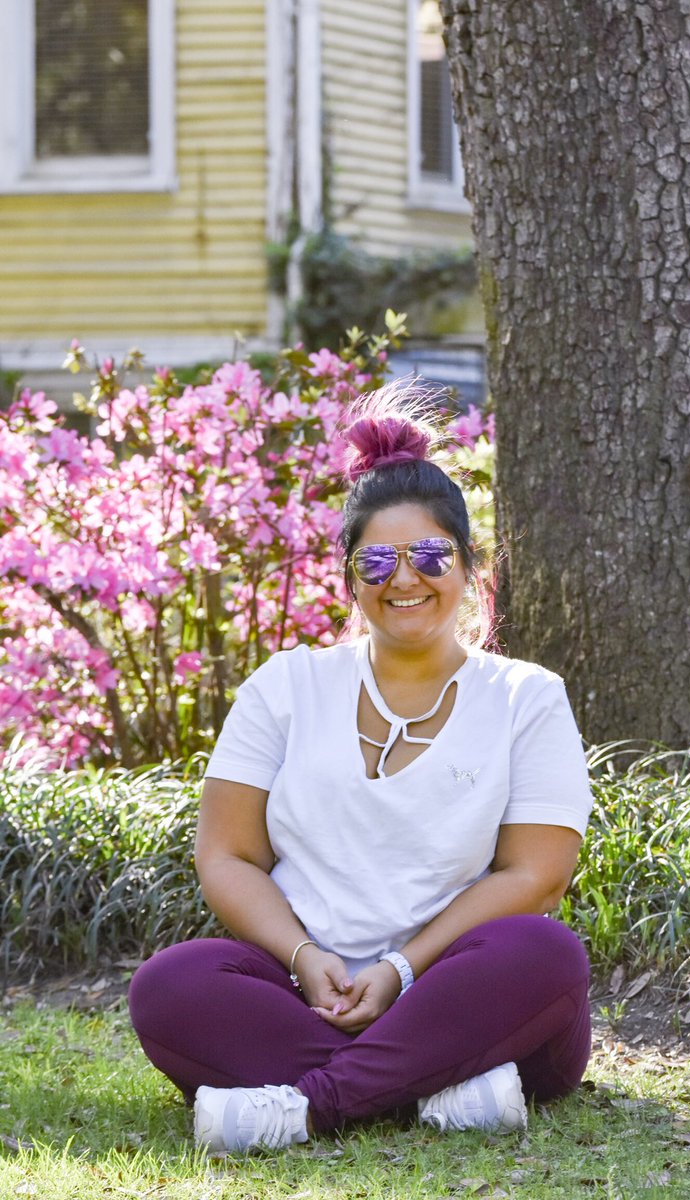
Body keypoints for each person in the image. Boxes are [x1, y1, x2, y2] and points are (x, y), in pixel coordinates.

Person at [128, 383, 594, 1154]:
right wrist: (308, 962)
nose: (402, 578)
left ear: (469, 566)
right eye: (377, 558)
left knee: (544, 955)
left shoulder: (525, 697)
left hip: (458, 987)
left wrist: (401, 972)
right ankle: (438, 1090)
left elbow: (536, 877)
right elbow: (228, 854)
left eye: (428, 555)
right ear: (348, 574)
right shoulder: (286, 685)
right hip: (305, 992)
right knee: (171, 986)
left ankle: (305, 1109)